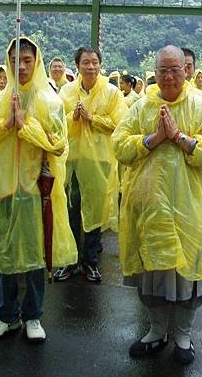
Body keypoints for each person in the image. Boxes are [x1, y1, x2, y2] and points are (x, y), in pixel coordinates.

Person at [112, 45, 202, 365]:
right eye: (163, 70)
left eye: (175, 69)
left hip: (188, 210)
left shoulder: (201, 105)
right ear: (155, 72)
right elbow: (120, 146)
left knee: (185, 273)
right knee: (152, 272)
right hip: (148, 208)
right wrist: (152, 139)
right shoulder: (141, 106)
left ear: (187, 70)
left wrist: (179, 137)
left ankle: (183, 335)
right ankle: (156, 330)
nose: (169, 76)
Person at [0, 37, 77, 343]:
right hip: (1, 187)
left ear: (37, 62)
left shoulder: (49, 102)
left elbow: (58, 144)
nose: (21, 66)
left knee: (33, 255)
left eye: (27, 60)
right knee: (4, 253)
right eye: (15, 60)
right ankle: (6, 315)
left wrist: (25, 126)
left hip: (33, 190)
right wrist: (5, 124)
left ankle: (33, 315)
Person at [56, 47, 126, 282]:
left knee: (95, 209)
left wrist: (91, 118)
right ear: (77, 65)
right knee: (72, 210)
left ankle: (90, 261)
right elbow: (56, 124)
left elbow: (119, 125)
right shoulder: (66, 92)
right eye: (86, 62)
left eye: (94, 62)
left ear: (100, 65)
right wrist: (73, 118)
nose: (90, 67)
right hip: (73, 160)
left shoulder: (112, 93)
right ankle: (71, 260)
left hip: (100, 160)